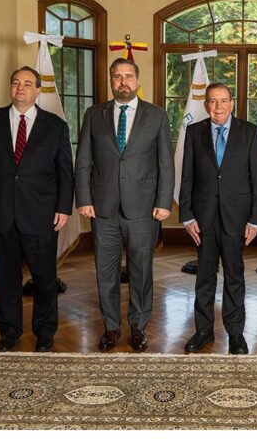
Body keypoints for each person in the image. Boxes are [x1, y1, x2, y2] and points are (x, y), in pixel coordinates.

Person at [0, 66, 74, 353]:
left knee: (44, 279)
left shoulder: (55, 126)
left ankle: (44, 331)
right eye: (16, 83)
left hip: (41, 215)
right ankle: (9, 331)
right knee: (6, 279)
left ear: (38, 91)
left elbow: (66, 171)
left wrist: (64, 207)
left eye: (28, 84)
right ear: (10, 88)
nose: (20, 88)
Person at [75, 58, 174, 353]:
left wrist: (163, 202)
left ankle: (139, 326)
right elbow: (83, 161)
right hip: (102, 208)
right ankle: (111, 327)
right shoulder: (94, 114)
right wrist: (84, 198)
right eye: (117, 76)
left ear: (137, 80)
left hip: (143, 208)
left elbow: (165, 164)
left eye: (128, 76)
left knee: (141, 270)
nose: (123, 82)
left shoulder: (156, 116)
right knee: (105, 271)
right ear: (110, 81)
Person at [179, 82, 257, 355]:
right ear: (206, 105)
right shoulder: (194, 132)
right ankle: (203, 331)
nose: (218, 107)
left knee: (234, 276)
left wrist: (254, 220)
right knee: (204, 277)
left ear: (231, 103)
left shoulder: (249, 132)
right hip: (203, 219)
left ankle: (236, 333)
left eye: (223, 100)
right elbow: (187, 176)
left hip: (236, 218)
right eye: (213, 101)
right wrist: (186, 215)